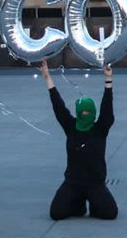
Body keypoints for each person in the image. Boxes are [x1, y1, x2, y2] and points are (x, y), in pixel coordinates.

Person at [41, 61, 118, 220]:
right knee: (57, 213)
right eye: (81, 111)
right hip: (73, 183)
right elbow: (58, 107)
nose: (85, 114)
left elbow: (107, 109)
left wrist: (108, 80)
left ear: (93, 112)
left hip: (95, 183)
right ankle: (79, 204)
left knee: (109, 213)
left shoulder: (100, 128)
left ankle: (92, 203)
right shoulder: (71, 126)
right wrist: (47, 78)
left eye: (88, 111)